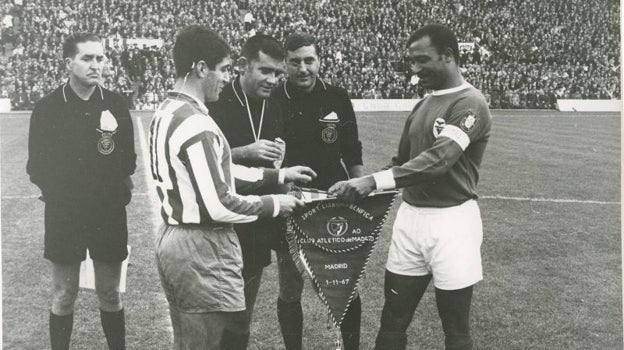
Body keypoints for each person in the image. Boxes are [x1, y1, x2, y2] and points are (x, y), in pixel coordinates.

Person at [149, 25, 315, 350]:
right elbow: (219, 203)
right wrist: (275, 203)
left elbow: (219, 170)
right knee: (207, 343)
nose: (227, 78)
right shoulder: (196, 122)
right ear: (200, 68)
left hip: (173, 236)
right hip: (200, 244)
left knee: (187, 342)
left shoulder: (168, 109)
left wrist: (275, 176)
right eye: (223, 69)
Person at [329, 24, 492, 350]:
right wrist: (358, 188)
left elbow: (439, 160)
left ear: (448, 56)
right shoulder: (421, 106)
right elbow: (399, 162)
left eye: (422, 60)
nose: (414, 70)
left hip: (452, 224)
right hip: (411, 220)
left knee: (455, 327)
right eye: (411, 62)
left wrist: (371, 181)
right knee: (393, 319)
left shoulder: (470, 103)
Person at [26, 32, 136, 350]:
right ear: (68, 63)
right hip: (65, 214)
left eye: (100, 58)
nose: (96, 65)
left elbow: (128, 160)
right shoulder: (47, 108)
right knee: (64, 293)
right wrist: (65, 194)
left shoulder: (115, 104)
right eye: (87, 58)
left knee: (110, 292)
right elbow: (37, 167)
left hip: (108, 213)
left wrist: (112, 191)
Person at [272, 32, 364, 350]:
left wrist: (357, 189)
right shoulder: (275, 99)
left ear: (319, 61)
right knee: (290, 286)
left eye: (309, 60)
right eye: (295, 62)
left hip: (333, 203)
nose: (303, 68)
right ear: (285, 63)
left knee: (343, 284)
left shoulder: (336, 97)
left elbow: (352, 151)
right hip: (290, 202)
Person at [206, 34, 289, 348]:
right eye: (265, 71)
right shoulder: (217, 101)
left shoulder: (276, 104)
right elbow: (207, 163)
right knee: (215, 314)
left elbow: (277, 163)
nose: (272, 79)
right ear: (242, 65)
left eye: (277, 73)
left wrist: (279, 161)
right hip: (221, 222)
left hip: (256, 222)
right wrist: (244, 152)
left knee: (243, 313)